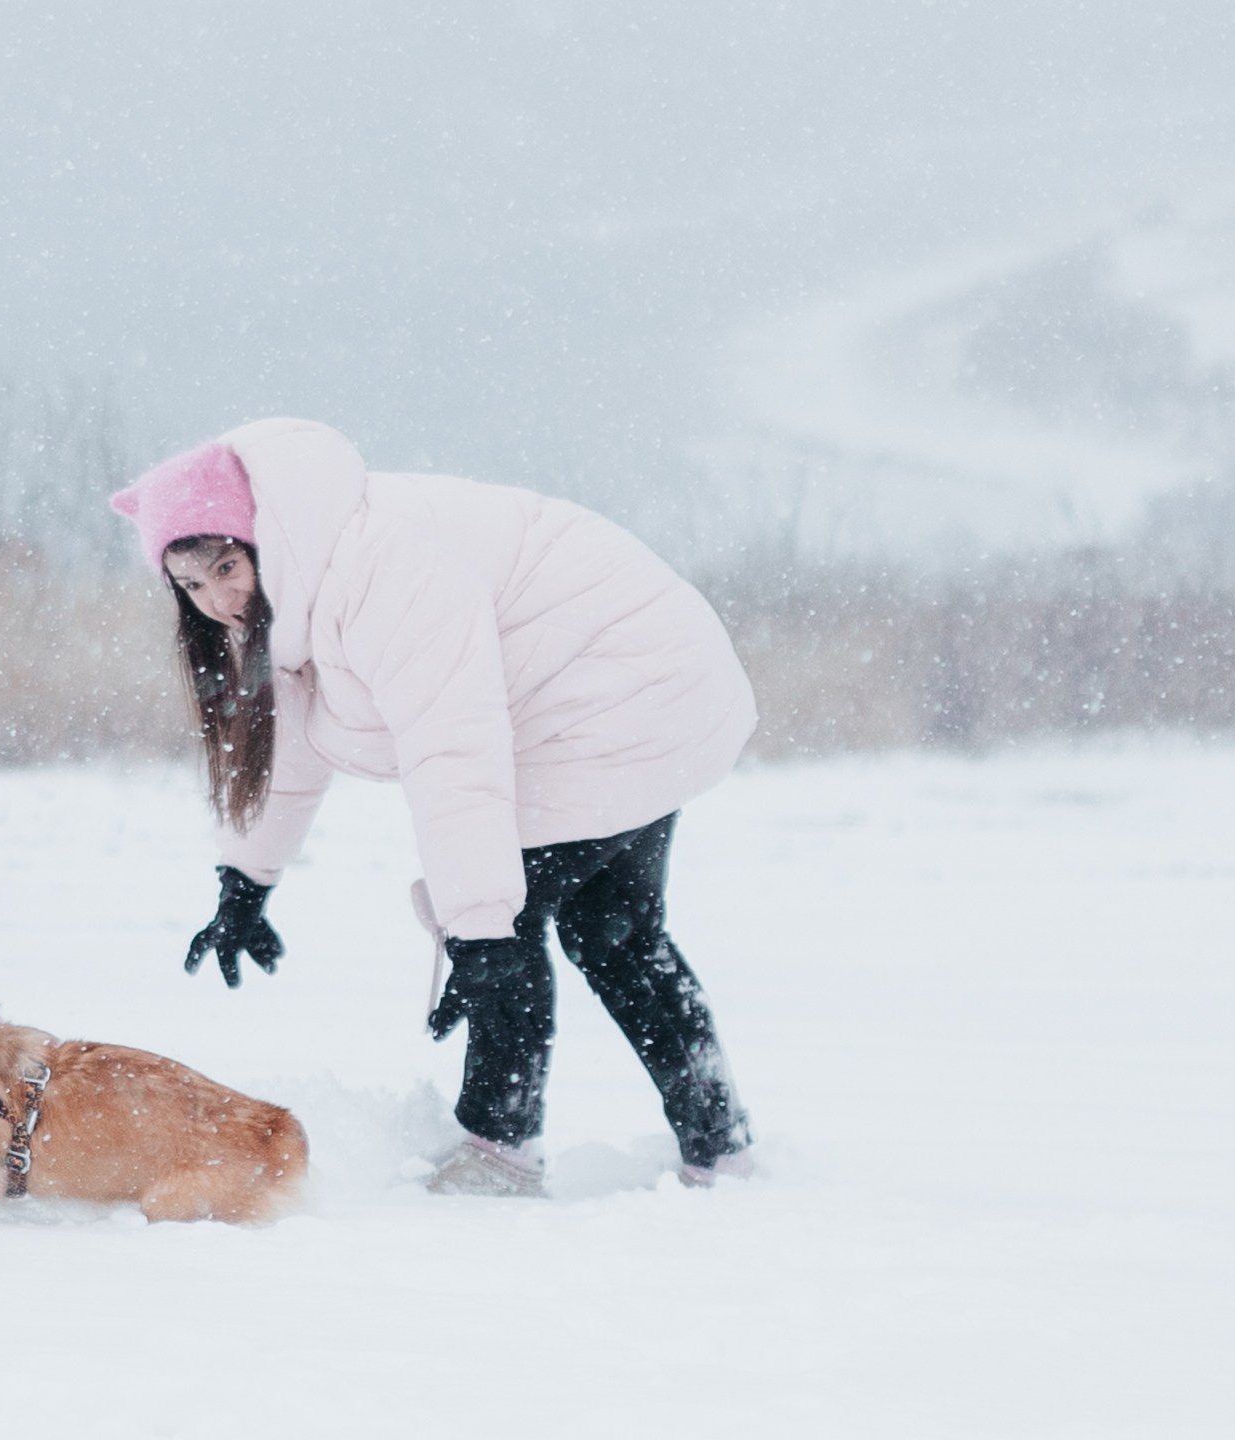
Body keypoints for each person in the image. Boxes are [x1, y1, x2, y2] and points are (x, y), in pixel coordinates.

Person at [109, 417, 758, 1196]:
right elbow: (292, 744)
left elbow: (452, 751)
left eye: (223, 565)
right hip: (643, 689)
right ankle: (718, 1144)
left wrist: (477, 929)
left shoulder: (379, 571)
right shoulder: (301, 575)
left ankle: (497, 1150)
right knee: (609, 930)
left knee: (503, 928)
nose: (216, 598)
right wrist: (245, 880)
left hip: (619, 691)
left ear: (259, 534)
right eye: (190, 583)